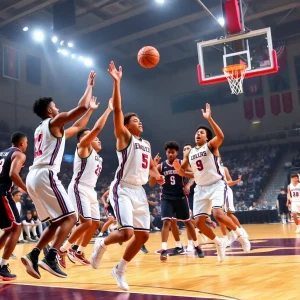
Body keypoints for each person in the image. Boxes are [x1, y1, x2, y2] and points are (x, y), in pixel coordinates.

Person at [90, 61, 164, 290]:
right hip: (122, 188)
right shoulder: (124, 138)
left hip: (139, 191)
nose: (139, 121)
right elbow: (119, 111)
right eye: (135, 120)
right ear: (126, 126)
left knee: (143, 237)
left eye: (140, 120)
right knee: (126, 233)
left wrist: (157, 175)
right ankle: (101, 244)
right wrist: (117, 83)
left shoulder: (147, 143)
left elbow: (151, 172)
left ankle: (119, 269)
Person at [21, 71, 97, 279]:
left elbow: (79, 125)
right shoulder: (54, 122)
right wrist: (89, 85)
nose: (58, 109)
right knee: (72, 218)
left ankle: (34, 254)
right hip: (46, 174)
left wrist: (89, 111)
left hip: (33, 176)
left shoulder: (42, 129)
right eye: (55, 106)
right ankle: (52, 256)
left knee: (56, 222)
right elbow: (79, 108)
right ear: (49, 110)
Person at [173, 104, 250, 262]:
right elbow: (184, 172)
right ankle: (218, 242)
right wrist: (178, 169)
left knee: (218, 215)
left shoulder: (211, 146)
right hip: (201, 188)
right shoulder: (190, 153)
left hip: (216, 185)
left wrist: (209, 119)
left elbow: (220, 136)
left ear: (207, 137)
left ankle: (241, 234)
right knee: (199, 224)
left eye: (201, 133)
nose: (198, 134)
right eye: (196, 133)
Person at [59, 98, 113, 267]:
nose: (98, 140)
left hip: (91, 190)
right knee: (86, 222)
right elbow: (96, 128)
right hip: (79, 187)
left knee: (95, 223)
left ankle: (79, 250)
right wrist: (108, 110)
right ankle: (63, 249)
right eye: (95, 138)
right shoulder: (82, 147)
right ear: (86, 139)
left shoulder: (99, 157)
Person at [149, 141, 204, 261]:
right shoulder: (161, 166)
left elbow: (194, 174)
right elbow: (151, 183)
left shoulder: (181, 163)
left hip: (180, 196)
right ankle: (163, 249)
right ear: (166, 153)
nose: (170, 154)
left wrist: (188, 185)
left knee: (188, 222)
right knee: (166, 222)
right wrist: (154, 169)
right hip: (166, 197)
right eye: (168, 152)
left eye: (172, 152)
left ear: (176, 153)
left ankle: (197, 246)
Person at [0, 132, 28, 280]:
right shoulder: (19, 155)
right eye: (27, 143)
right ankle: (3, 267)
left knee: (9, 229)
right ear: (22, 143)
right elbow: (13, 174)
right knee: (16, 227)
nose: (27, 146)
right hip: (3, 192)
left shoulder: (2, 153)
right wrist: (26, 189)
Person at [218, 159, 248, 246]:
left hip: (225, 192)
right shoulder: (208, 169)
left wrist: (236, 181)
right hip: (215, 193)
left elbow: (229, 182)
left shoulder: (223, 169)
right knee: (219, 217)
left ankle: (241, 231)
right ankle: (228, 236)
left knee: (228, 214)